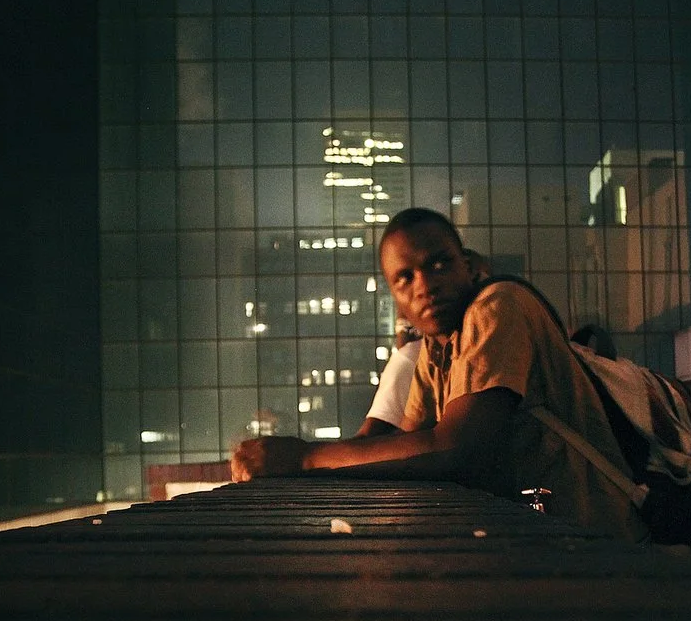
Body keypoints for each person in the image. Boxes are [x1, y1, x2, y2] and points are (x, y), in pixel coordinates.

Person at [231, 207, 645, 541]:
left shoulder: (496, 308)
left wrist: (304, 458)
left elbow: (455, 449)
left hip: (603, 537)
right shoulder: (437, 346)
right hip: (558, 536)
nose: (424, 285)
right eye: (404, 278)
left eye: (440, 263)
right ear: (394, 297)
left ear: (467, 266)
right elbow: (408, 444)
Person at [356, 248, 489, 438]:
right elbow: (370, 435)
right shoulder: (415, 356)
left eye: (484, 278)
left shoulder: (490, 327)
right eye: (405, 279)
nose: (425, 287)